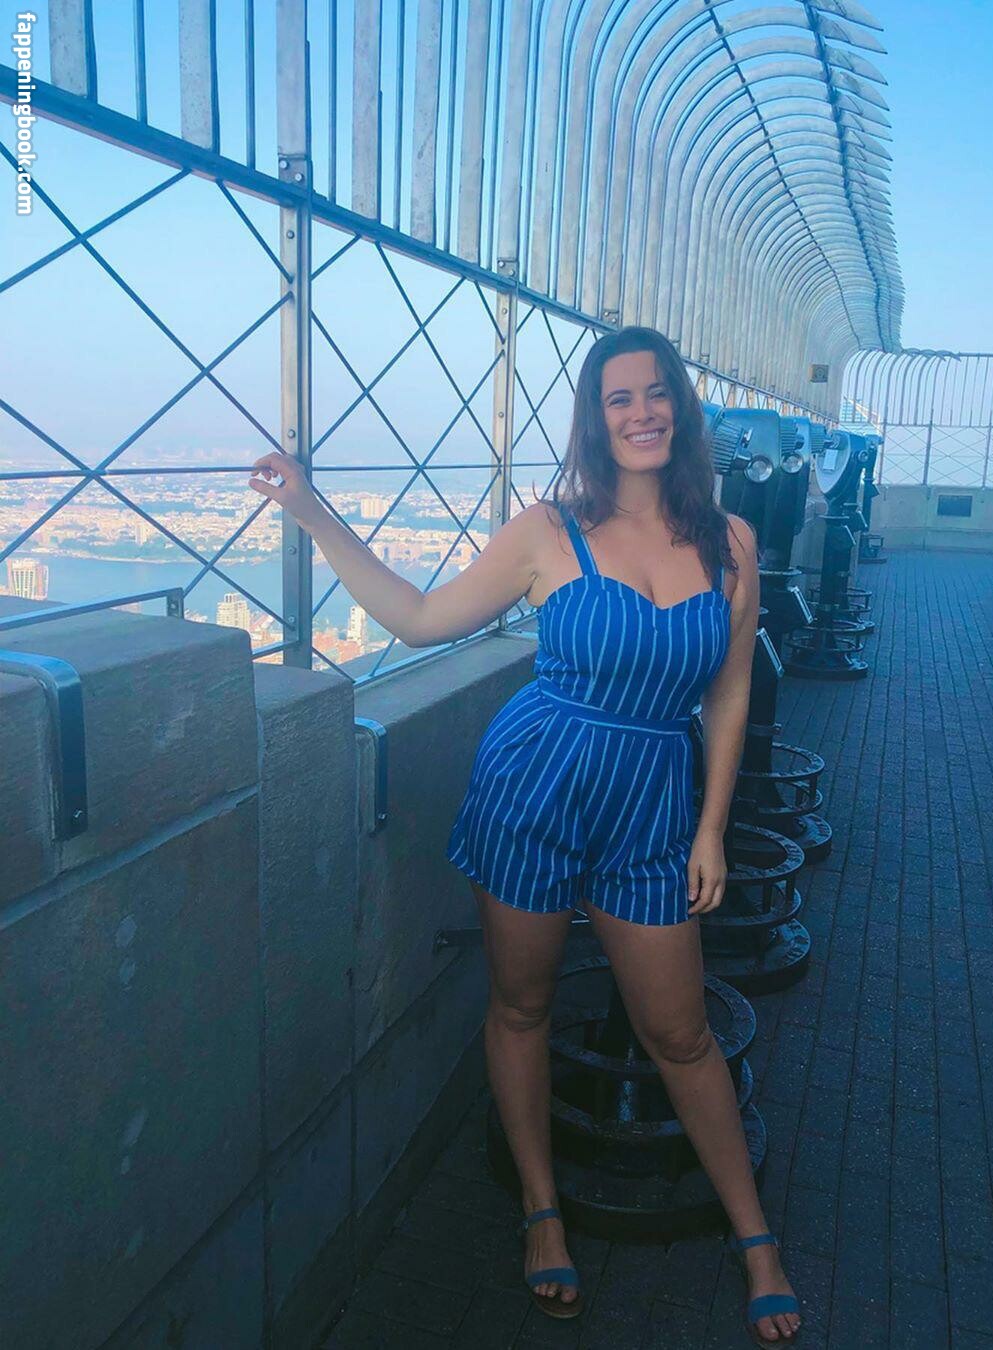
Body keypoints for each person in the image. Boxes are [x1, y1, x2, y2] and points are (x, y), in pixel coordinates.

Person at [248, 326, 801, 1345]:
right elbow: (421, 621)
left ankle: (755, 1237)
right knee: (521, 1002)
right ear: (595, 419)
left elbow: (729, 693)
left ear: (681, 408)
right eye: (618, 398)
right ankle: (543, 1211)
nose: (641, 412)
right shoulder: (549, 530)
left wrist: (712, 829)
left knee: (680, 1032)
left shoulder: (730, 544)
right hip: (533, 788)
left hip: (650, 802)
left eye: (656, 393)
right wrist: (314, 511)